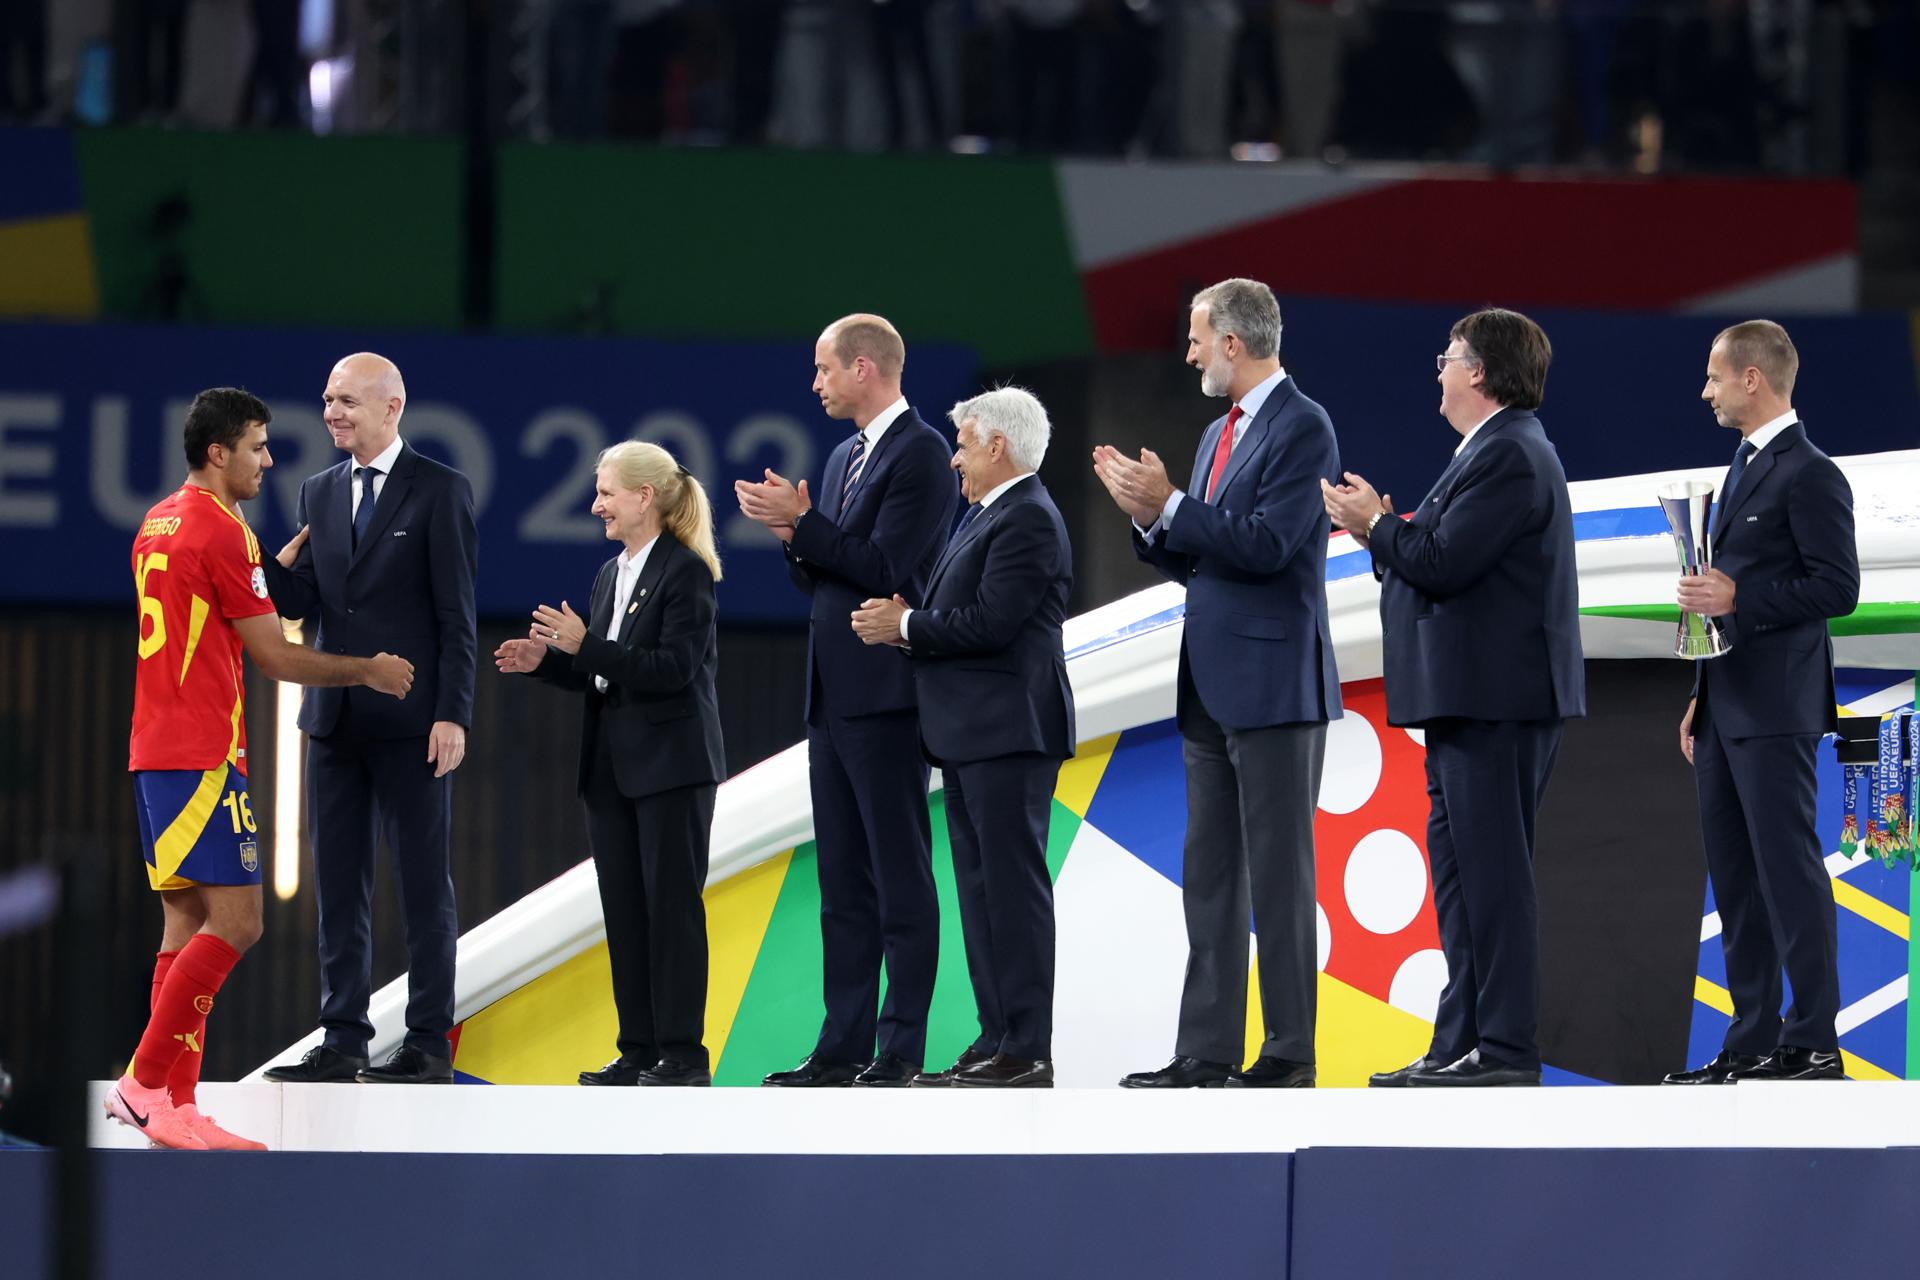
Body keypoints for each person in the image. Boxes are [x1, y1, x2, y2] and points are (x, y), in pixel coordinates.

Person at [108, 388, 412, 1150]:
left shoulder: (161, 518)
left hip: (158, 747)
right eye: (257, 446)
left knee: (184, 920)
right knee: (240, 923)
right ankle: (144, 1081)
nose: (268, 461)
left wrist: (262, 571)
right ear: (220, 453)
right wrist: (369, 670)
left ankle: (173, 1103)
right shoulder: (223, 530)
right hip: (202, 754)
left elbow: (203, 608)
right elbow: (274, 655)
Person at [1322, 307, 1584, 1088]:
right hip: (1470, 702)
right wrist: (1384, 529)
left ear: (1478, 372)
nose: (1437, 369)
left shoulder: (1509, 454)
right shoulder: (1489, 453)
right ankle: (1459, 1043)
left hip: (1493, 704)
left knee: (1493, 881)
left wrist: (1375, 527)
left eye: (1447, 357)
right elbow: (1438, 552)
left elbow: (1442, 560)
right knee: (1467, 883)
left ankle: (1504, 1052)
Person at [1094, 277, 1340, 1090]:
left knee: (1279, 878)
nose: (1190, 350)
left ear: (1234, 343)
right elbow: (1203, 554)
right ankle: (1205, 1052)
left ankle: (1288, 1053)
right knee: (1211, 879)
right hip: (1208, 684)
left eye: (1198, 337)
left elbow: (1268, 545)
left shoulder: (1304, 426)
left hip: (1274, 684)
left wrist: (1174, 506)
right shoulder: (1215, 434)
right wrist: (1149, 516)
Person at [735, 315, 956, 1088]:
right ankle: (842, 1044)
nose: (815, 383)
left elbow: (887, 564)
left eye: (824, 368)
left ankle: (901, 1047)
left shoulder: (924, 453)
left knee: (900, 875)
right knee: (842, 882)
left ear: (866, 369)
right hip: (830, 696)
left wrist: (808, 528)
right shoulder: (838, 459)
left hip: (889, 693)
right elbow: (824, 575)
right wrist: (794, 536)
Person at [259, 353, 478, 1086]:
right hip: (331, 723)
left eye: (348, 400)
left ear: (393, 407)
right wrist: (261, 566)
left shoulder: (441, 490)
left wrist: (454, 714)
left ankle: (426, 1041)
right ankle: (343, 1035)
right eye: (326, 400)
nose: (332, 413)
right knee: (338, 886)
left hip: (413, 723)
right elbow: (300, 605)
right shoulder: (317, 492)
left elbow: (457, 618)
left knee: (423, 888)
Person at [852, 386, 1075, 1089]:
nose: (954, 461)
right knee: (981, 896)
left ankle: (1027, 1047)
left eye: (964, 445)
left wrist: (908, 627)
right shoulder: (988, 514)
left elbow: (990, 623)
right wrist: (911, 617)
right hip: (972, 734)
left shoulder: (1029, 519)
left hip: (1009, 732)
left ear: (998, 447)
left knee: (1011, 892)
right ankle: (996, 1036)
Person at [1664, 321, 1859, 1085]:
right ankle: (1750, 1041)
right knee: (1737, 880)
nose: (1705, 391)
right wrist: (1698, 689)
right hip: (1725, 700)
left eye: (1714, 377)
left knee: (1788, 872)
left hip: (1777, 706)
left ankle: (1813, 1040)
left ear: (1753, 379)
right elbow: (1724, 599)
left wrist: (1741, 596)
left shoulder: (1810, 473)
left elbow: (1837, 587)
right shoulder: (1744, 467)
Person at [497, 442, 726, 1086]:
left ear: (644, 497)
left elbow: (672, 671)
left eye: (605, 493)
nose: (595, 504)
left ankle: (682, 1054)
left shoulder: (686, 573)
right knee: (624, 911)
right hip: (611, 770)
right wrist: (551, 664)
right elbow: (604, 677)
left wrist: (586, 645)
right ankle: (639, 1049)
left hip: (671, 769)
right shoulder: (609, 574)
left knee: (671, 910)